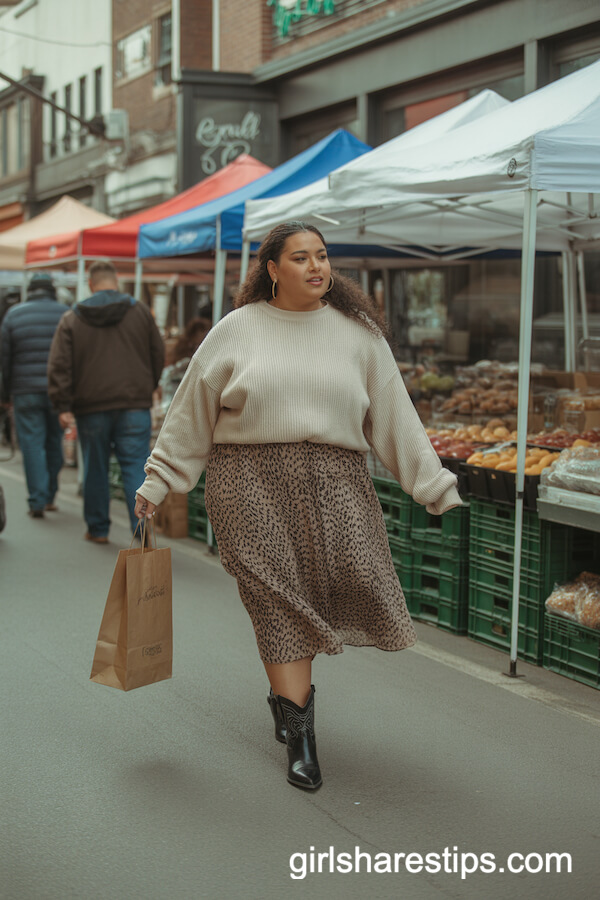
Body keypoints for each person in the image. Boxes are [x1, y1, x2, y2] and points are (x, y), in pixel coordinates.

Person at [134, 221, 461, 791]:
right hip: (247, 479)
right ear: (272, 270)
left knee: (343, 586)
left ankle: (286, 703)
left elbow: (393, 416)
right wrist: (159, 481)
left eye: (323, 256)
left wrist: (433, 485)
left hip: (335, 480)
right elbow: (191, 413)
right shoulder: (236, 329)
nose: (317, 267)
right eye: (302, 258)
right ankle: (302, 734)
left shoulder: (358, 335)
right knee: (277, 600)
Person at [48, 260, 164, 543]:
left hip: (91, 407)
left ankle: (98, 529)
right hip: (134, 404)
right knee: (135, 466)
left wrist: (63, 404)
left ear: (90, 283)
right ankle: (141, 530)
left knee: (96, 468)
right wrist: (147, 386)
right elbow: (157, 353)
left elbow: (60, 365)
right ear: (117, 281)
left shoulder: (73, 318)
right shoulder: (140, 313)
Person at [0, 273, 68, 517]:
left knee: (31, 445)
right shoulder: (66, 313)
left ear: (30, 290)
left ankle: (37, 500)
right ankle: (50, 495)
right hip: (57, 391)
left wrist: (5, 392)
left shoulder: (14, 315)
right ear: (52, 290)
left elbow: (4, 360)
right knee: (53, 442)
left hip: (25, 390)